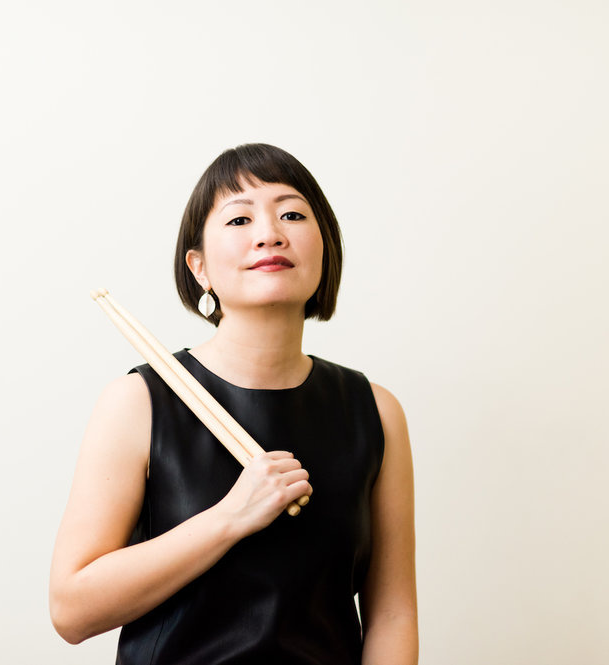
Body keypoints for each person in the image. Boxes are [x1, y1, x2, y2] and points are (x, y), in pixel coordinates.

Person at [49, 143, 418, 664]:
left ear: (324, 248)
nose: (269, 233)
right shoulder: (140, 401)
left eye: (291, 213)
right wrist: (231, 517)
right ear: (199, 268)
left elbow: (393, 614)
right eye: (239, 219)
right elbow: (71, 610)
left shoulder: (374, 411)